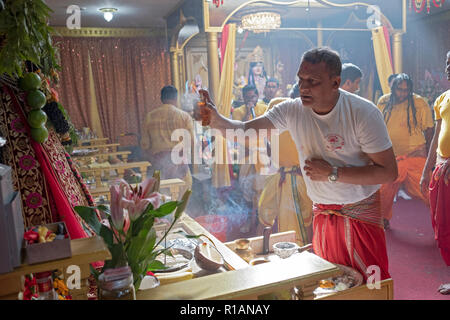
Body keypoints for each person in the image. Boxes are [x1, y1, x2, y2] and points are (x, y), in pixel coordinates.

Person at [196, 47, 398, 281]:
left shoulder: (363, 113)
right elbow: (245, 132)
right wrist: (217, 120)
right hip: (323, 211)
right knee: (331, 281)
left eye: (313, 81)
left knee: (371, 284)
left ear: (336, 82)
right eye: (301, 79)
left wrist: (333, 173)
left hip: (360, 213)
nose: (304, 87)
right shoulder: (293, 109)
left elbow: (389, 172)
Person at [258, 83, 313, 245]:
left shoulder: (313, 114)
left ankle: (306, 252)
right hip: (277, 173)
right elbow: (262, 131)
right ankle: (259, 250)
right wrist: (271, 153)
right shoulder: (277, 105)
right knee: (264, 214)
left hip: (301, 176)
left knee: (306, 217)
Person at [377, 73, 434, 229]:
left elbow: (429, 129)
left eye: (406, 90)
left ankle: (442, 220)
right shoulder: (383, 101)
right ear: (392, 87)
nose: (402, 93)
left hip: (415, 154)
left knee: (427, 190)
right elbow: (378, 128)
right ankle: (382, 219)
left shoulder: (419, 102)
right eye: (399, 89)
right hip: (391, 157)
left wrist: (429, 154)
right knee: (384, 191)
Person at [420, 50, 450, 295]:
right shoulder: (442, 99)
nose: (449, 67)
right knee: (443, 225)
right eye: (447, 62)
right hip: (441, 170)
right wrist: (426, 169)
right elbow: (435, 140)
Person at [141, 85, 194, 198]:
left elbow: (145, 145)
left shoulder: (149, 117)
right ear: (176, 99)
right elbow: (192, 142)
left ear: (161, 99)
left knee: (162, 204)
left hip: (159, 167)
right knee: (181, 202)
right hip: (180, 167)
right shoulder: (184, 117)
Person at [232, 85, 268, 233]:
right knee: (246, 191)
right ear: (243, 98)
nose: (250, 101)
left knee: (261, 191)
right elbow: (241, 132)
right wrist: (247, 112)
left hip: (262, 155)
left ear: (258, 96)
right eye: (247, 98)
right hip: (246, 156)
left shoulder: (265, 109)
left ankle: (261, 222)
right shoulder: (238, 112)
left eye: (252, 97)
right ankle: (247, 221)